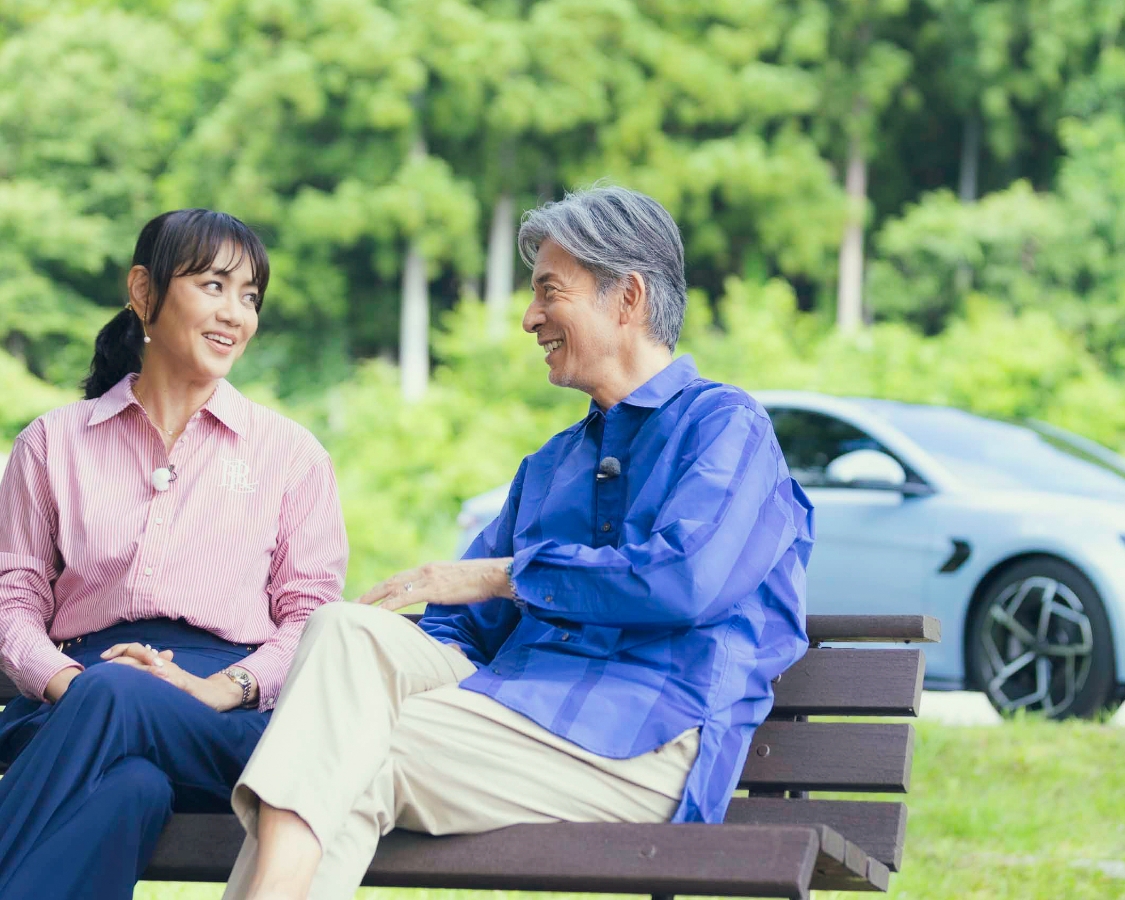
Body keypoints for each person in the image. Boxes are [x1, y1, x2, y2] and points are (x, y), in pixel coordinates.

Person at [222, 186, 814, 900]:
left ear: (625, 298)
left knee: (343, 754)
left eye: (548, 292)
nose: (529, 318)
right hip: (514, 715)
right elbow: (460, 629)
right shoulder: (552, 464)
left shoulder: (725, 426)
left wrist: (504, 576)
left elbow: (682, 583)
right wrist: (361, 656)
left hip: (642, 735)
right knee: (343, 631)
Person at [0, 209, 348, 899]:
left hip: (225, 722)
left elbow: (311, 620)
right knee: (130, 788)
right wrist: (74, 683)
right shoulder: (53, 443)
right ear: (143, 290)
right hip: (77, 695)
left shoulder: (289, 455)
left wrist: (215, 690)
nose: (236, 314)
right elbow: (12, 599)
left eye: (250, 295)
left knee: (120, 704)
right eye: (214, 285)